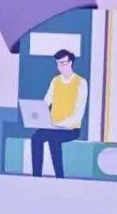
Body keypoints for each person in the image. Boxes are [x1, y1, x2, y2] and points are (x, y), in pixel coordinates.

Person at [30, 49, 87, 178]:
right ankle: (36, 176)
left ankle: (59, 177)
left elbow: (78, 114)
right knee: (36, 138)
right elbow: (46, 102)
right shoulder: (55, 81)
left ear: (71, 62)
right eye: (58, 63)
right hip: (53, 126)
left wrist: (59, 124)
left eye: (63, 63)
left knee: (53, 138)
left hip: (71, 128)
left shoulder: (81, 82)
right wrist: (38, 117)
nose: (60, 66)